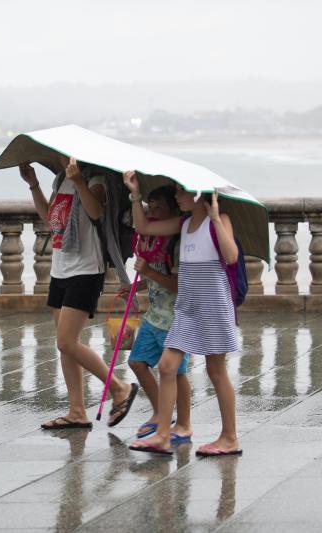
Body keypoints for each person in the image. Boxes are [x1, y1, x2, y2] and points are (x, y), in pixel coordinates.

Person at [122, 171, 242, 457]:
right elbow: (143, 226)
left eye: (180, 192)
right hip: (187, 307)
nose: (176, 197)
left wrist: (214, 218)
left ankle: (230, 437)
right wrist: (135, 194)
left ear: (197, 194)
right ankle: (163, 435)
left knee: (216, 370)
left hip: (212, 306)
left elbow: (232, 256)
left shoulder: (219, 221)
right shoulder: (183, 223)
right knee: (166, 366)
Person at [20, 156, 138, 429]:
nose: (60, 157)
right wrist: (34, 184)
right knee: (66, 345)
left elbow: (96, 211)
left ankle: (119, 388)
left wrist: (79, 181)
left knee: (66, 341)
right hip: (61, 268)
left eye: (64, 153)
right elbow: (50, 217)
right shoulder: (61, 180)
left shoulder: (96, 180)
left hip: (85, 268)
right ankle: (76, 411)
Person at [124, 185, 192, 445]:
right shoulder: (152, 241)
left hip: (174, 317)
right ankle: (160, 412)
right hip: (153, 316)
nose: (152, 212)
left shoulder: (176, 244)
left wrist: (149, 273)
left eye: (158, 207)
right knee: (137, 362)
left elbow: (177, 284)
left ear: (174, 211)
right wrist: (134, 287)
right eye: (149, 207)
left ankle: (184, 422)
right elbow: (153, 279)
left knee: (177, 372)